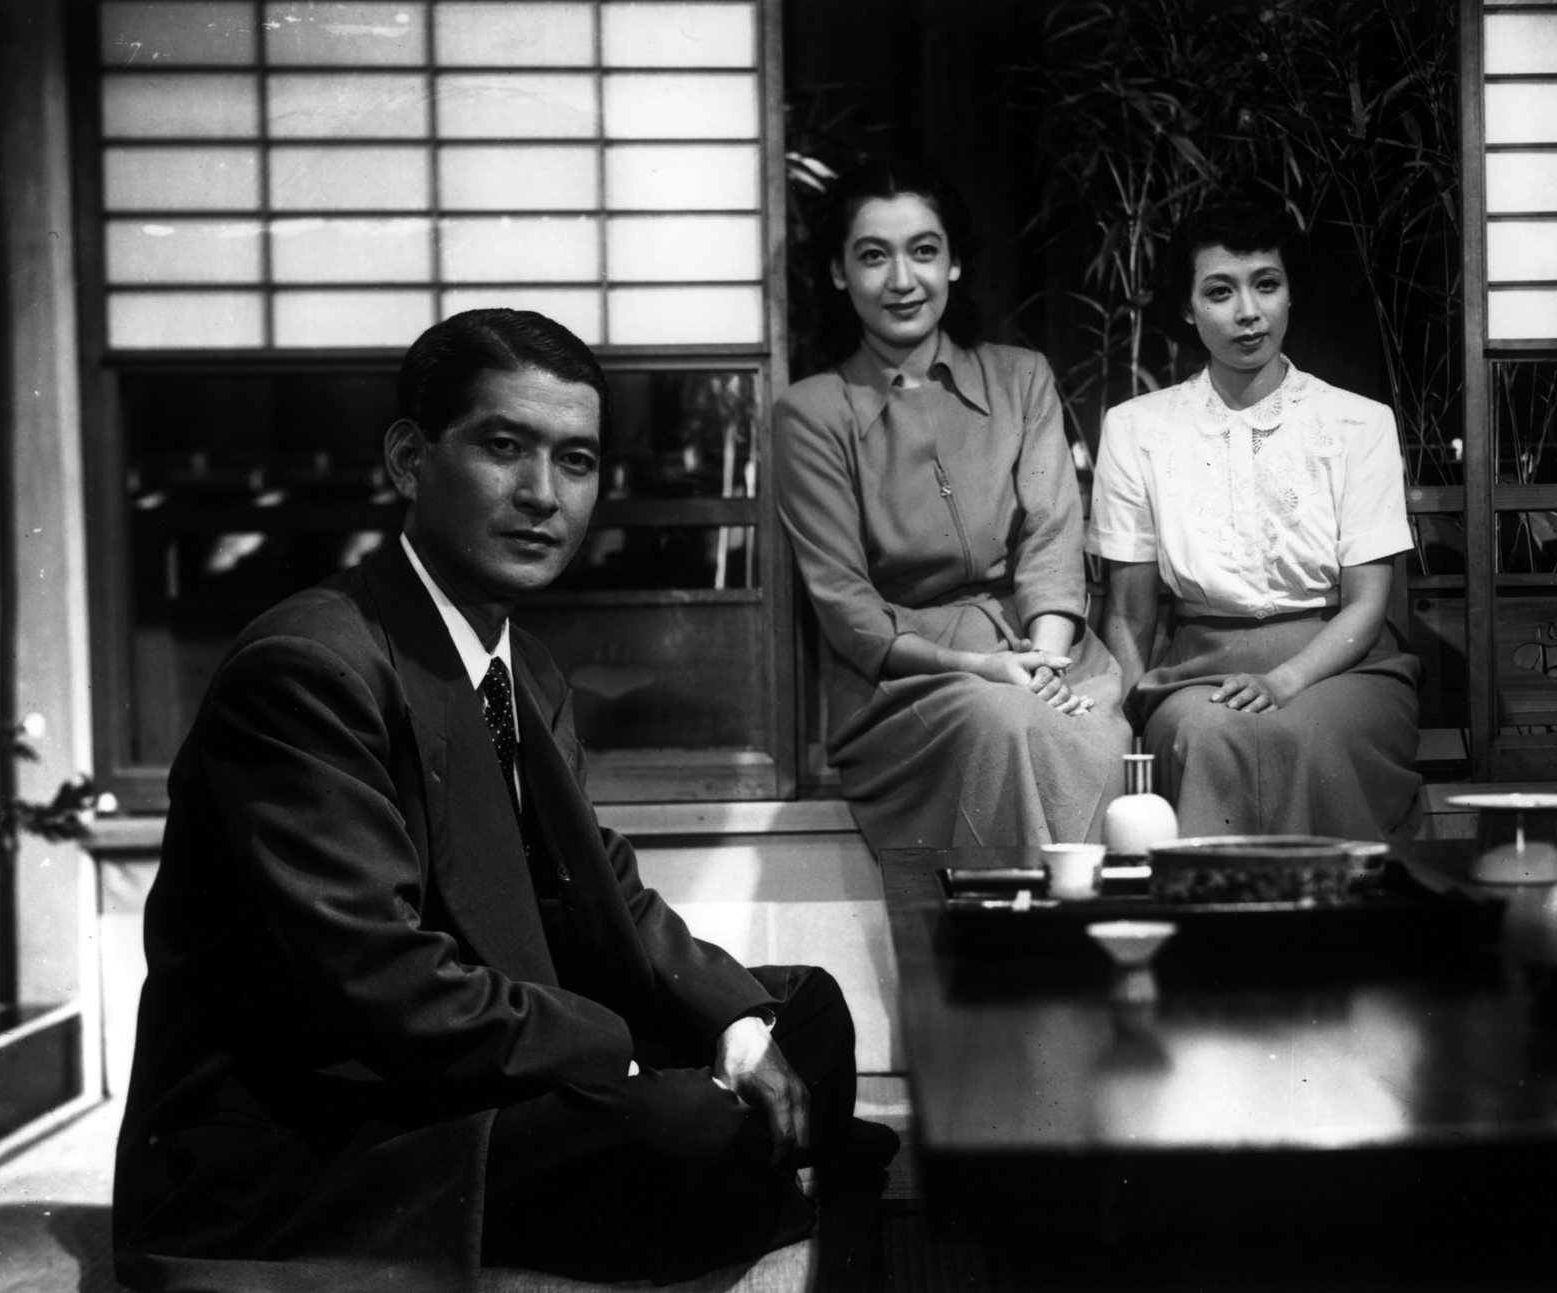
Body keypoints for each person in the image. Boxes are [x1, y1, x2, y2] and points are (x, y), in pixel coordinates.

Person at [112, 309, 892, 1292]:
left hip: (468, 1050)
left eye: (575, 460)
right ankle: (731, 1179)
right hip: (334, 1123)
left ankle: (723, 1176)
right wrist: (630, 1066)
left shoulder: (516, 659)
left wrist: (732, 1026)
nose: (540, 495)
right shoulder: (310, 667)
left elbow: (602, 886)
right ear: (409, 458)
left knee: (800, 1014)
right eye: (503, 446)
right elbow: (383, 986)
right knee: (683, 1122)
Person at [774, 160, 1132, 851]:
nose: (902, 280)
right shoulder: (811, 412)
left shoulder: (1021, 377)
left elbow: (1053, 537)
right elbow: (848, 608)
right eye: (873, 256)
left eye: (924, 251)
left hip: (1045, 650)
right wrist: (986, 671)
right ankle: (1005, 955)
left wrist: (1044, 665)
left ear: (955, 262)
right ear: (839, 273)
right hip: (909, 683)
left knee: (1078, 734)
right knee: (999, 723)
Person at [1087, 200, 1423, 841]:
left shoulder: (1359, 422)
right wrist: (1131, 724)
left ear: (1290, 293)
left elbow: (1368, 605)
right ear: (1188, 307)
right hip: (1198, 670)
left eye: (1266, 284)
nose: (1248, 312)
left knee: (1305, 735)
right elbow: (1131, 614)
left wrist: (1284, 679)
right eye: (1220, 291)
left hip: (1343, 667)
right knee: (1205, 734)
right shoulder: (1138, 428)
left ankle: (1330, 934)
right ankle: (1213, 935)